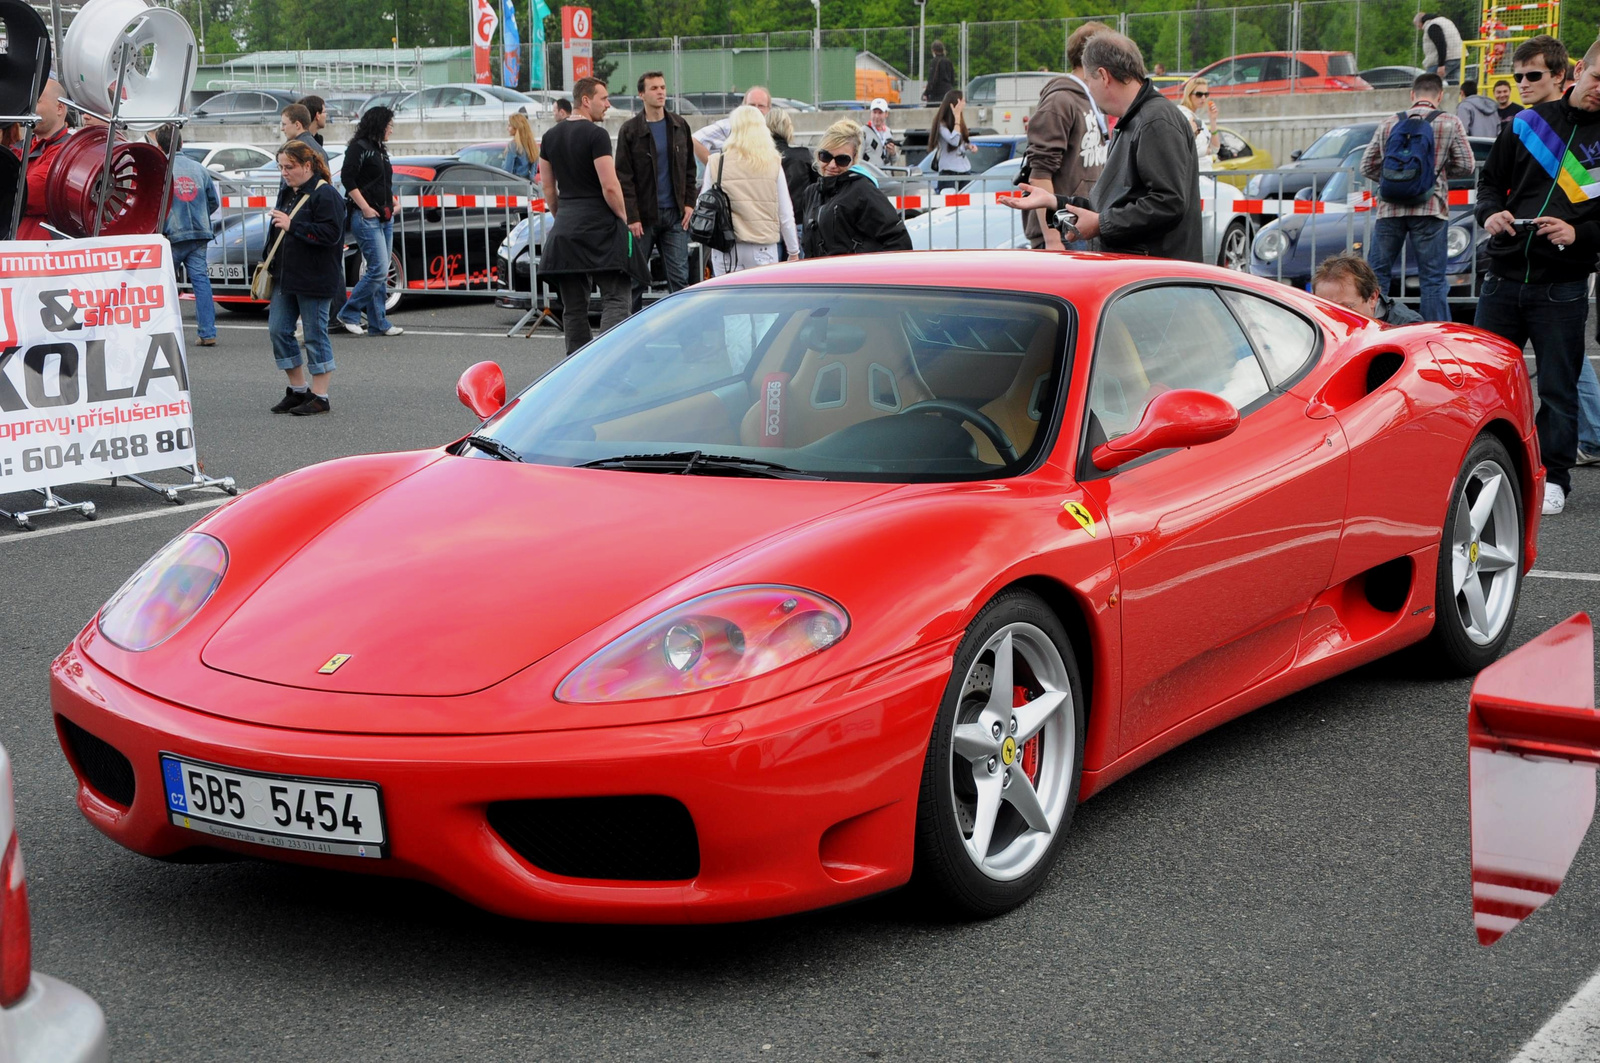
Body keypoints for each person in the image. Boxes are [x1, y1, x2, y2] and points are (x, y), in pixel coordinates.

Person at [1473, 38, 1600, 516]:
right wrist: (1490, 215)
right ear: (1579, 70)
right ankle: (1477, 466)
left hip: (1562, 285)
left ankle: (1555, 477)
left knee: (1558, 387)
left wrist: (1579, 231)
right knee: (1484, 383)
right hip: (1502, 278)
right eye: (1597, 77)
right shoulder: (1526, 124)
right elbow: (1489, 184)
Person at [1006, 32, 1200, 261]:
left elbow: (1169, 202)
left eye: (1089, 82)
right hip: (1142, 272)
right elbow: (1112, 204)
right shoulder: (1134, 120)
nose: (1089, 90)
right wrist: (1054, 201)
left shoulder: (1154, 121)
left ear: (1104, 76)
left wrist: (1101, 224)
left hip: (1155, 278)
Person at [1358, 73, 1474, 323]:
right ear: (1440, 96)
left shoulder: (1389, 123)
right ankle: (1435, 337)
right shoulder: (1449, 122)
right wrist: (1432, 177)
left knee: (1378, 275)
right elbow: (1467, 165)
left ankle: (1374, 329)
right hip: (1431, 210)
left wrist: (1394, 182)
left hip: (1390, 210)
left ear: (1412, 95)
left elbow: (1366, 166)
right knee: (1432, 279)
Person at [539, 76, 632, 355]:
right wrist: (623, 219)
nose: (608, 104)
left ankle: (577, 367)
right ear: (586, 100)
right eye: (604, 98)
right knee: (617, 297)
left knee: (574, 307)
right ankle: (607, 360)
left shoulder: (549, 137)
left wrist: (562, 216)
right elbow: (610, 186)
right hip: (599, 228)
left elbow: (548, 190)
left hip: (565, 229)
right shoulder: (596, 135)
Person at [266, 140, 345, 416]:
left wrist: (293, 225)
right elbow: (277, 233)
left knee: (314, 334)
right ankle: (299, 390)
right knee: (278, 330)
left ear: (308, 166)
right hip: (285, 275)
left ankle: (320, 396)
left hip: (314, 277)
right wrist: (268, 261)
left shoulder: (326, 195)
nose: (284, 172)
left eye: (290, 166)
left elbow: (331, 235)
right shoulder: (288, 192)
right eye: (281, 167)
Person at [1022, 21, 1109, 250]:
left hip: (1085, 227)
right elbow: (1039, 175)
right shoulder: (1060, 101)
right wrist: (1052, 238)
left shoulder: (1093, 99)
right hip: (1064, 234)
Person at [616, 70, 695, 297]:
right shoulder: (630, 130)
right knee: (635, 281)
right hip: (643, 217)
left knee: (680, 279)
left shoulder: (680, 126)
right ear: (642, 94)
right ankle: (633, 331)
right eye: (654, 88)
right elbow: (624, 177)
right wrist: (632, 216)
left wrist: (690, 203)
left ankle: (682, 331)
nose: (660, 92)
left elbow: (690, 168)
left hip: (675, 216)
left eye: (662, 87)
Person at [701, 106, 799, 274]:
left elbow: (702, 203)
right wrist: (793, 251)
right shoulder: (773, 163)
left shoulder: (716, 162)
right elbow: (785, 213)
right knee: (763, 300)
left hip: (725, 247)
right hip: (763, 248)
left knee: (726, 300)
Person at [799, 119, 912, 259]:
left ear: (854, 159)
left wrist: (863, 268)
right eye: (825, 156)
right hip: (817, 277)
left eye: (842, 159)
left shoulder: (863, 191)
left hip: (850, 277)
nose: (832, 165)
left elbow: (898, 241)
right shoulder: (811, 193)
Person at [337, 106, 403, 338]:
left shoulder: (380, 150)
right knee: (377, 269)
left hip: (384, 215)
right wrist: (364, 207)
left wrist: (394, 201)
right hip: (366, 216)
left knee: (380, 270)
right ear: (379, 124)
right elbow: (347, 178)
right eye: (389, 126)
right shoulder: (358, 148)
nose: (391, 131)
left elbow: (381, 182)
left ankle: (378, 323)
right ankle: (349, 312)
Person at [155, 125, 220, 347]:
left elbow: (155, 205)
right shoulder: (199, 169)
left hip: (172, 235)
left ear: (158, 144)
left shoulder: (161, 169)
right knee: (201, 282)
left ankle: (165, 331)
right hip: (200, 233)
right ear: (181, 143)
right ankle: (208, 332)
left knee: (165, 284)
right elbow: (213, 201)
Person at [13, 79, 70, 240]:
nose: (29, 107)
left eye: (36, 101)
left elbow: (27, 193)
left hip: (42, 255)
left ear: (60, 108)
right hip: (14, 253)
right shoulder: (21, 148)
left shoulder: (68, 151)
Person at [1311, 253, 1424, 324]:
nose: (1335, 319)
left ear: (1372, 298)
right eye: (1325, 309)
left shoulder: (1407, 327)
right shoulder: (1309, 322)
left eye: (1346, 308)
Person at [694, 86, 771, 163]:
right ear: (743, 106)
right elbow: (695, 140)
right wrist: (713, 168)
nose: (755, 109)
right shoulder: (728, 126)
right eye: (751, 105)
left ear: (768, 109)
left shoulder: (772, 130)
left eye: (761, 106)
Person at [768, 107, 816, 228]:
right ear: (788, 128)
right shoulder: (804, 156)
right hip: (799, 222)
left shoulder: (757, 160)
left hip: (769, 225)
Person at [926, 90, 975, 186]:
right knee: (949, 200)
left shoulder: (959, 121)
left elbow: (959, 143)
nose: (964, 103)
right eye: (962, 101)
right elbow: (954, 141)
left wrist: (968, 146)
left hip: (964, 169)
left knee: (965, 200)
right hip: (949, 171)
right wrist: (957, 118)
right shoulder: (941, 124)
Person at [1178, 76, 1220, 170]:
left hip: (1206, 173)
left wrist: (1213, 120)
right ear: (1189, 94)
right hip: (1196, 175)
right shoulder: (1183, 115)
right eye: (1199, 94)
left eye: (1206, 94)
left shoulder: (1198, 119)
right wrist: (1208, 151)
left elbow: (1215, 148)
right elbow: (1193, 150)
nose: (1203, 98)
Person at [1415, 11, 1463, 85]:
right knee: (1456, 84)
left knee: (1427, 83)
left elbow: (1441, 44)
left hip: (1446, 59)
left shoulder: (1432, 26)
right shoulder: (1445, 21)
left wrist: (1441, 65)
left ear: (1421, 23)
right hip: (1459, 56)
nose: (1420, 29)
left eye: (1418, 26)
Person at [861, 98, 899, 169]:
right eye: (874, 112)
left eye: (880, 113)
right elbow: (858, 158)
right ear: (870, 113)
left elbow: (894, 160)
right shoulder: (863, 132)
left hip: (886, 175)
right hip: (870, 176)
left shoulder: (888, 132)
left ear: (886, 114)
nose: (877, 116)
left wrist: (893, 153)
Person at [503, 110, 538, 179]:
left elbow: (507, 171)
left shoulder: (513, 145)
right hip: (527, 184)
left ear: (516, 128)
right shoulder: (532, 145)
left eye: (509, 126)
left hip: (514, 184)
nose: (507, 128)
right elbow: (533, 171)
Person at [923, 40, 955, 104]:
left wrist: (926, 93)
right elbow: (952, 78)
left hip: (937, 93)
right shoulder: (948, 61)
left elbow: (932, 79)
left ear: (933, 50)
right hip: (948, 91)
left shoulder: (934, 62)